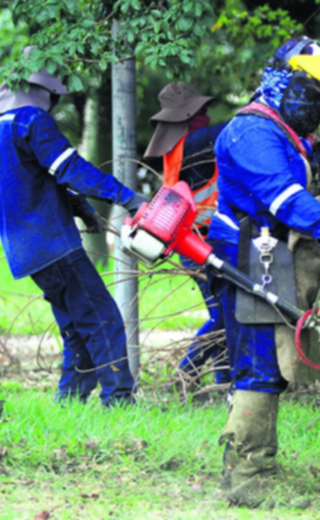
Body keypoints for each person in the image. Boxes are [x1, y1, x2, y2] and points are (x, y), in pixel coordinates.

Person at [207, 37, 320, 506]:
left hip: (270, 250)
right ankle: (247, 480)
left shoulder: (290, 134)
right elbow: (281, 198)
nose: (314, 104)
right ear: (282, 79)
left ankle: (256, 467)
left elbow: (300, 203)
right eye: (309, 90)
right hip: (247, 251)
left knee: (274, 363)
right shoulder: (251, 133)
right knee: (259, 362)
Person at [0, 46, 149, 406]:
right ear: (44, 90)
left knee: (77, 327)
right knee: (104, 319)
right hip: (52, 242)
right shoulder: (31, 122)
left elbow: (34, 180)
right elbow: (71, 170)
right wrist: (129, 198)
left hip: (24, 251)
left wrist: (84, 211)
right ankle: (120, 402)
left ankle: (68, 403)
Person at [144, 82, 232, 389]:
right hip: (200, 243)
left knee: (221, 313)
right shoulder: (197, 140)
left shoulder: (177, 147)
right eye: (202, 111)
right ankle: (182, 378)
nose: (206, 117)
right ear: (188, 116)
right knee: (222, 316)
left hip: (191, 242)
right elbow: (240, 126)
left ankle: (223, 382)